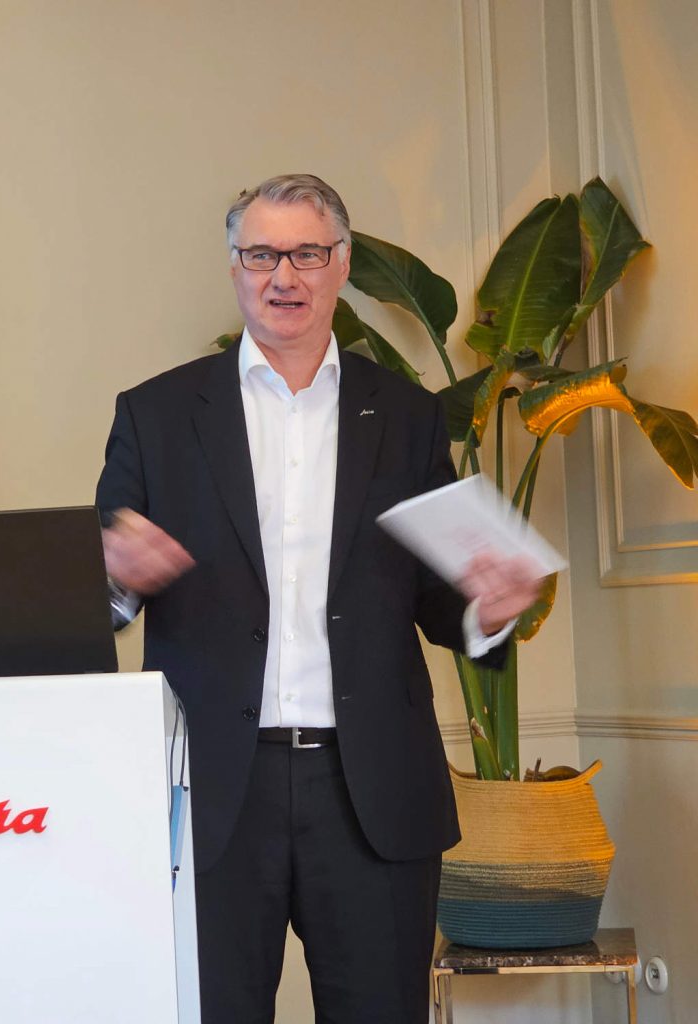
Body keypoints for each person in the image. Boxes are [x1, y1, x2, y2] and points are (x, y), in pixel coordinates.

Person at [96, 173, 540, 1023]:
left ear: (341, 263)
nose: (284, 276)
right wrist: (116, 572)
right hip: (214, 793)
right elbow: (95, 594)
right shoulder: (155, 415)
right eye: (262, 255)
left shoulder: (408, 416)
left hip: (371, 791)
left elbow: (437, 597)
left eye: (306, 253)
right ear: (235, 267)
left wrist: (489, 606)